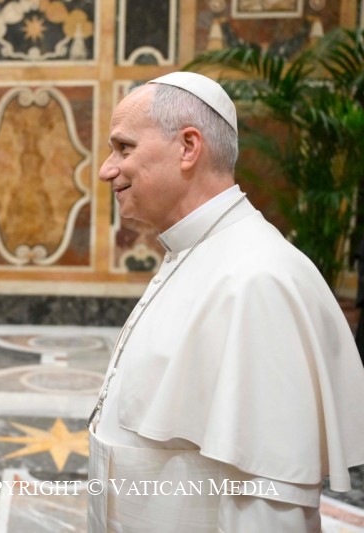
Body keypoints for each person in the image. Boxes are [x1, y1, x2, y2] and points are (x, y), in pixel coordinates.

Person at [88, 71, 364, 531]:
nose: (106, 168)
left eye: (124, 147)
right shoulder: (196, 252)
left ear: (189, 147)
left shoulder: (258, 279)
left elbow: (270, 502)